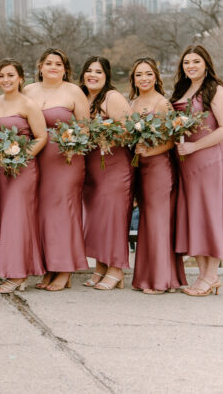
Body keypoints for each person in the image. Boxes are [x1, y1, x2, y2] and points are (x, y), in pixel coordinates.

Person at [170, 45, 223, 296]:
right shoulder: (182, 89)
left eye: (196, 61)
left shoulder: (216, 90)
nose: (191, 66)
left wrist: (196, 145)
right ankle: (201, 276)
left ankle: (212, 276)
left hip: (210, 161)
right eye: (186, 62)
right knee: (194, 215)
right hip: (186, 163)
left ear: (206, 63)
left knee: (211, 215)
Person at [23, 48, 89, 292]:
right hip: (36, 160)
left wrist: (73, 143)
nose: (53, 67)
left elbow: (85, 126)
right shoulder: (28, 90)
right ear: (40, 66)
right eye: (48, 63)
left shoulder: (73, 92)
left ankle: (65, 269)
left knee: (63, 212)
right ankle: (50, 266)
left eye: (58, 64)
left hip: (66, 160)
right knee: (42, 213)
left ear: (65, 69)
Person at [0, 59, 48, 294]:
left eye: (11, 75)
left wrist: (20, 158)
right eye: (2, 76)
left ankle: (18, 274)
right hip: (1, 168)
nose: (6, 80)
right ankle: (14, 270)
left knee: (16, 219)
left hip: (23, 169)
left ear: (21, 78)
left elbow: (41, 137)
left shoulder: (28, 105)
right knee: (5, 220)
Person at [129, 57, 186, 294]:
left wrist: (149, 150)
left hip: (159, 169)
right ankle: (151, 277)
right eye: (139, 74)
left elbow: (172, 141)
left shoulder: (163, 104)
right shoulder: (131, 104)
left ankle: (162, 280)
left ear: (156, 77)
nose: (144, 78)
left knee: (159, 221)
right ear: (133, 79)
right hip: (139, 170)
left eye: (148, 74)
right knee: (147, 221)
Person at [78, 56, 132, 291]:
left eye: (98, 72)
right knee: (97, 218)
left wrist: (104, 133)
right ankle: (100, 266)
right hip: (91, 168)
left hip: (113, 165)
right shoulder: (82, 98)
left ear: (106, 75)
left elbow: (129, 131)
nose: (93, 75)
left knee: (113, 217)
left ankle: (116, 269)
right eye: (89, 70)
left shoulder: (113, 97)